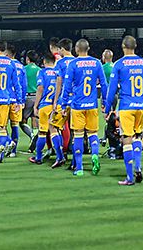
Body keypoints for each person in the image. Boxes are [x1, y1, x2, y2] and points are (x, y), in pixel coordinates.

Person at [105, 35, 143, 186]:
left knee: (126, 139)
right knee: (137, 137)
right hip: (141, 106)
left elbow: (112, 89)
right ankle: (138, 167)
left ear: (123, 47)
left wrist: (107, 108)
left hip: (127, 107)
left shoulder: (119, 64)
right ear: (135, 47)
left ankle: (129, 177)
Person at [61, 39, 107, 176]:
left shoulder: (73, 64)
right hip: (92, 104)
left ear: (76, 49)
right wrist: (105, 102)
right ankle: (95, 156)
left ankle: (79, 168)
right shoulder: (97, 63)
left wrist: (63, 104)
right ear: (88, 48)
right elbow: (104, 84)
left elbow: (67, 86)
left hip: (77, 105)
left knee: (79, 136)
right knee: (93, 134)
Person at [50, 39, 75, 169]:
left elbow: (58, 83)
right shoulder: (78, 61)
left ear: (62, 49)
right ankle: (75, 162)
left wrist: (55, 102)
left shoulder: (60, 63)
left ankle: (60, 157)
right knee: (77, 131)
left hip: (63, 101)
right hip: (77, 102)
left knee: (53, 126)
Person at [30, 54, 57, 164]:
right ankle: (60, 156)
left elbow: (40, 88)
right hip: (55, 106)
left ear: (44, 62)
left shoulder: (42, 72)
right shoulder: (58, 73)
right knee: (55, 132)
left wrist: (36, 105)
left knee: (42, 133)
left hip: (45, 105)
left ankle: (38, 157)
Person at [6, 44, 29, 157]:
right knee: (14, 125)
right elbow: (24, 85)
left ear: (7, 53)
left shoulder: (6, 65)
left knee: (1, 125)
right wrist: (22, 100)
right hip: (17, 100)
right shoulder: (21, 66)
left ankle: (7, 144)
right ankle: (13, 151)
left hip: (5, 99)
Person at [23, 50, 41, 152]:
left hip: (27, 97)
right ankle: (35, 139)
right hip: (37, 97)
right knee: (35, 119)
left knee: (22, 121)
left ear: (27, 59)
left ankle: (32, 136)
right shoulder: (39, 70)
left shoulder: (23, 69)